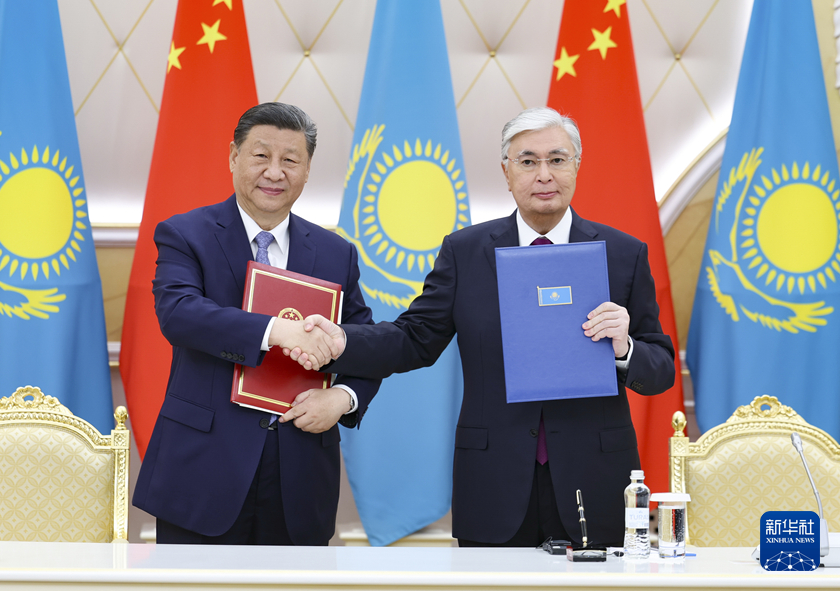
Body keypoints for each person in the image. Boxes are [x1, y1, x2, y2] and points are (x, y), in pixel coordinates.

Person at [285, 107, 675, 547]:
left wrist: (625, 348)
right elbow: (415, 338)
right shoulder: (465, 252)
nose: (544, 174)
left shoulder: (623, 254)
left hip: (595, 479)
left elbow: (661, 369)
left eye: (557, 159)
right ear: (507, 172)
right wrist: (343, 340)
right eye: (528, 161)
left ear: (577, 166)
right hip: (494, 481)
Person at [132, 102, 381, 546]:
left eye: (291, 160)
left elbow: (366, 344)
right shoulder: (185, 234)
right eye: (261, 155)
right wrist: (276, 331)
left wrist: (343, 398)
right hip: (204, 470)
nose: (274, 172)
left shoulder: (335, 253)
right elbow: (179, 313)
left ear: (307, 170)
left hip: (299, 474)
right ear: (233, 157)